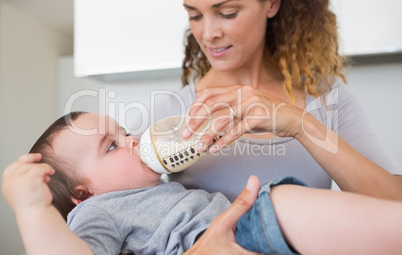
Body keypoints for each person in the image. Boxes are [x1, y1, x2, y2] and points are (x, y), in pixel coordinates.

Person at [129, 0, 402, 202]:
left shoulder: (328, 99)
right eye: (195, 15)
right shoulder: (167, 115)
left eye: (227, 13)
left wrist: (300, 125)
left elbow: (394, 204)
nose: (208, 34)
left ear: (272, 1)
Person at [3, 112, 402, 255]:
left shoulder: (151, 186)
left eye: (124, 131)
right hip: (246, 229)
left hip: (252, 227)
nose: (133, 140)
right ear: (82, 194)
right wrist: (33, 211)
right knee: (285, 203)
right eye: (112, 146)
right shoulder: (97, 211)